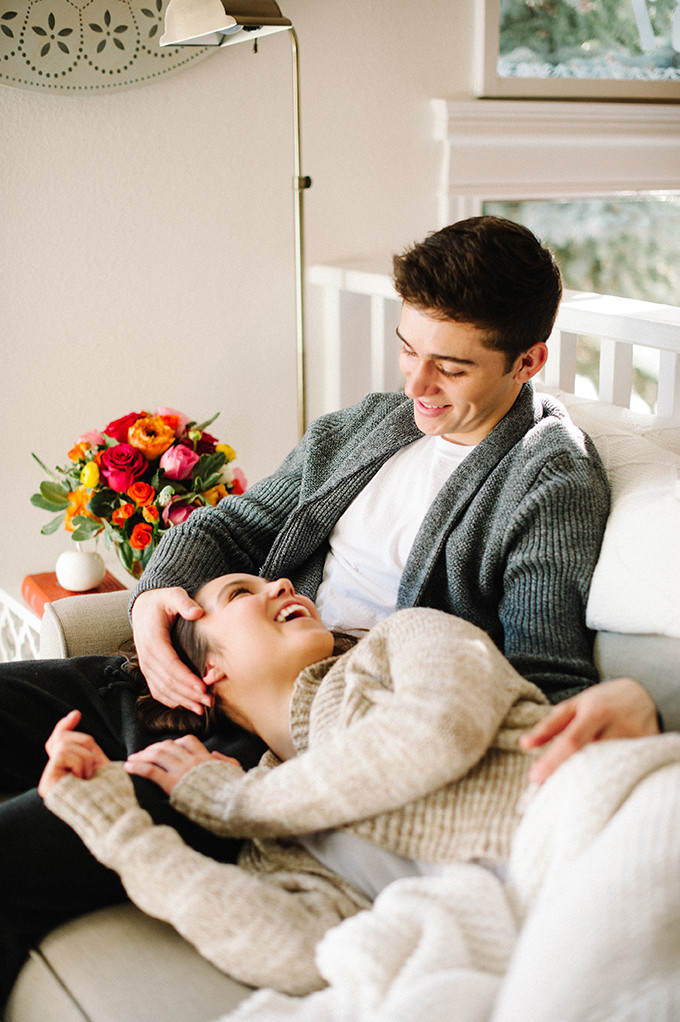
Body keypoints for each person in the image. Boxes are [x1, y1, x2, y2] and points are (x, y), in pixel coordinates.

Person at [0, 216, 661, 1002]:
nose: (417, 386)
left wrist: (630, 703)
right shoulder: (368, 427)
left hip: (282, 749)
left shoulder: (547, 484)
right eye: (409, 349)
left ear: (529, 361)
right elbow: (228, 525)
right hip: (185, 675)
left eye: (449, 367)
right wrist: (148, 607)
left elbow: (539, 677)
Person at [39, 572, 554, 995]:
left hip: (584, 818)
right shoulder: (269, 833)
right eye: (241, 593)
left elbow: (437, 733)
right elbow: (301, 951)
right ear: (207, 669)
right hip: (537, 931)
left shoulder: (408, 636)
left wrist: (228, 799)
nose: (283, 584)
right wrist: (117, 830)